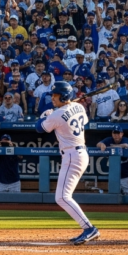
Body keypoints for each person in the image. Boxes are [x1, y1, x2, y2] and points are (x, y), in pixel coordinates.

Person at [36, 81, 100, 245]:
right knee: (63, 196)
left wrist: (46, 115)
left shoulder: (56, 115)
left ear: (64, 96)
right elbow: (82, 119)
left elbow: (39, 128)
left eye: (55, 95)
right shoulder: (79, 107)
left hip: (72, 155)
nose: (52, 98)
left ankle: (89, 228)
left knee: (62, 197)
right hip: (80, 153)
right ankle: (88, 228)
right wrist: (65, 108)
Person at [96, 126, 128, 196]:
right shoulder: (109, 140)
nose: (116, 135)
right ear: (112, 134)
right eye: (114, 133)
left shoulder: (126, 140)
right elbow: (98, 144)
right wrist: (102, 144)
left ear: (122, 134)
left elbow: (126, 146)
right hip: (115, 178)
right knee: (113, 200)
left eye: (118, 133)